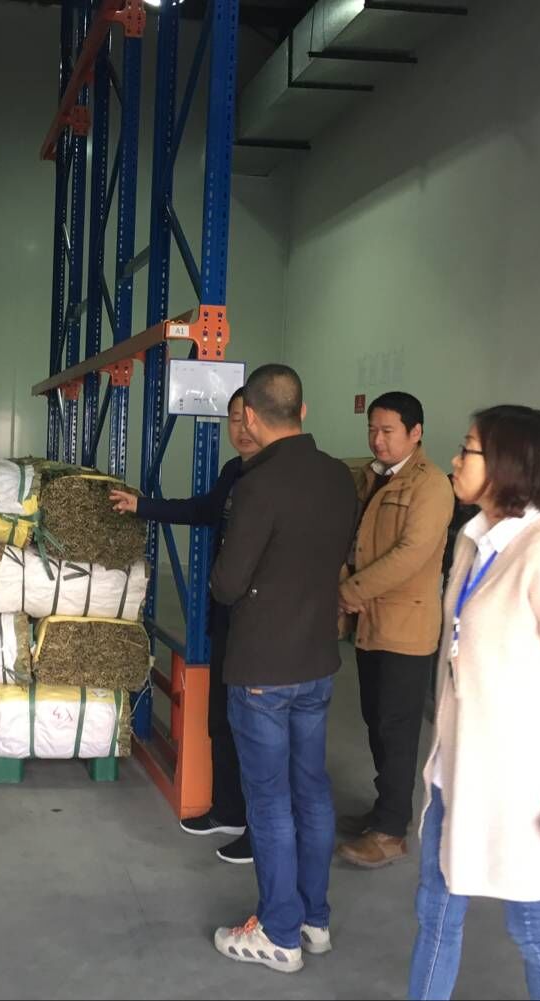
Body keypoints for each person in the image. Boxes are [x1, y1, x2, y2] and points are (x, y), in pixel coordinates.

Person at [408, 405, 540, 1001]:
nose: (454, 459)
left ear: (507, 463)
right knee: (436, 911)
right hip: (456, 770)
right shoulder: (475, 542)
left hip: (520, 784)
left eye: (467, 449)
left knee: (532, 926)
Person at [207, 364, 358, 975]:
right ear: (303, 409)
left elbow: (227, 584)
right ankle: (313, 919)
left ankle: (278, 933)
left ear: (249, 416)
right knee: (311, 791)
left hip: (263, 669)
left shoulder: (259, 485)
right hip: (317, 660)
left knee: (269, 802)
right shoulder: (339, 476)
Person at [109, 387, 259, 864]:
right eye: (233, 418)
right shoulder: (234, 472)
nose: (240, 429)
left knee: (258, 730)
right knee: (222, 718)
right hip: (227, 613)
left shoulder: (278, 480)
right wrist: (144, 506)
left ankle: (259, 831)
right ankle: (229, 810)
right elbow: (202, 510)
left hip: (263, 623)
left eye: (247, 418)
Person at [337, 391, 454, 869]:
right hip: (372, 623)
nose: (377, 440)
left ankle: (390, 833)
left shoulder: (431, 486)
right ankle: (385, 809)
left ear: (415, 432)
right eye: (372, 430)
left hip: (406, 626)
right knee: (376, 719)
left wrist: (350, 590)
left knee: (397, 727)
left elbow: (410, 555)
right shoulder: (374, 476)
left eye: (387, 431)